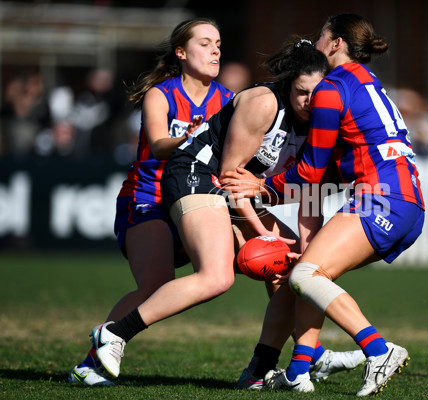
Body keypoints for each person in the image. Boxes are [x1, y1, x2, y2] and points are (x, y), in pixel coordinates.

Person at [86, 36, 364, 383]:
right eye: (301, 92)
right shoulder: (264, 103)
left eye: (317, 94)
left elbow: (311, 191)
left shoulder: (323, 122)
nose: (309, 102)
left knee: (297, 274)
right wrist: (262, 233)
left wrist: (305, 252)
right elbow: (229, 178)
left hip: (230, 192)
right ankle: (113, 334)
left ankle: (266, 369)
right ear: (288, 84)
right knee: (217, 278)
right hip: (196, 173)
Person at [223, 13, 425, 396]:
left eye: (321, 36)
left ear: (336, 44)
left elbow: (312, 172)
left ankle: (378, 350)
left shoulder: (332, 87)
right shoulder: (368, 81)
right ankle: (299, 370)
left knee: (304, 276)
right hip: (405, 201)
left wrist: (261, 186)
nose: (314, 44)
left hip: (380, 198)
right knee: (311, 271)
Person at [68, 18, 234, 386]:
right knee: (155, 284)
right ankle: (92, 362)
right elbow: (159, 144)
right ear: (181, 52)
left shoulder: (226, 99)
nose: (215, 50)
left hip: (197, 197)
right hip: (150, 198)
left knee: (264, 256)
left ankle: (295, 358)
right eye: (205, 43)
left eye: (218, 43)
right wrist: (190, 138)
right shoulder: (162, 93)